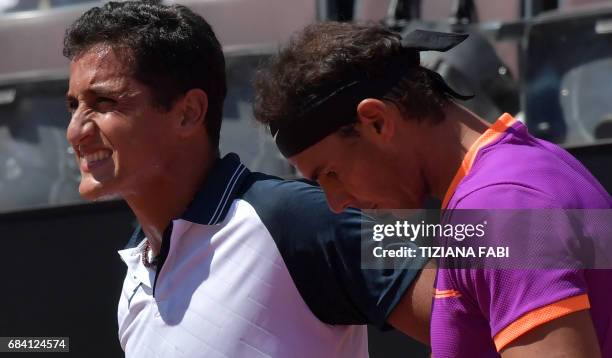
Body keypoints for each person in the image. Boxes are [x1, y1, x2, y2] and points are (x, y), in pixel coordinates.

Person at [63, 2, 435, 357]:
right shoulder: (137, 271)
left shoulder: (294, 218)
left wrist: (488, 175)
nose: (75, 130)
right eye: (73, 105)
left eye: (104, 103)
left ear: (188, 114)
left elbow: (487, 251)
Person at [252, 21, 612, 357]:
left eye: (331, 173)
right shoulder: (526, 170)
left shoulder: (499, 206)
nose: (336, 202)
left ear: (377, 121)